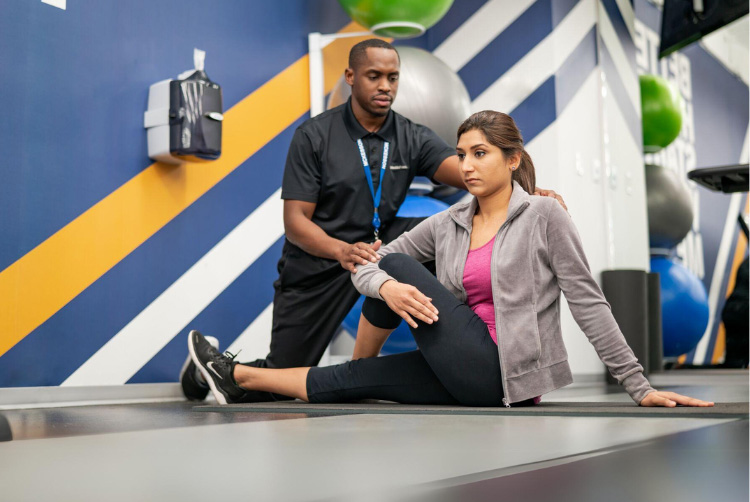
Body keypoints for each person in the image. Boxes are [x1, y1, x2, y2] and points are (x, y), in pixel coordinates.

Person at [186, 110, 713, 409]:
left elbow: (588, 303)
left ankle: (248, 373)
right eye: (461, 154)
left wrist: (639, 387)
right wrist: (384, 289)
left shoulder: (544, 217)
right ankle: (236, 377)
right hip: (461, 369)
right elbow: (370, 263)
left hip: (503, 373)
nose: (467, 164)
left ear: (513, 160)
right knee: (351, 381)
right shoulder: (450, 221)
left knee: (395, 266)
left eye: (480, 153)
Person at [180, 40, 565, 401]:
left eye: (392, 77)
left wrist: (527, 191)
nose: (385, 86)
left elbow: (468, 172)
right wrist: (342, 251)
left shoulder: (411, 136)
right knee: (284, 377)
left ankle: (364, 374)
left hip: (378, 249)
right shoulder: (314, 136)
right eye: (374, 76)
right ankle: (205, 374)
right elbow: (296, 221)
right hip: (319, 263)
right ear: (351, 78)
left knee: (423, 245)